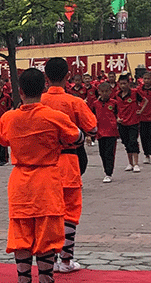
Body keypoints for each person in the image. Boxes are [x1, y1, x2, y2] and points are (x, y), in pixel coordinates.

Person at [0, 68, 83, 283]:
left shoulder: (9, 117)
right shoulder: (54, 117)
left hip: (19, 182)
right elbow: (78, 137)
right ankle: (46, 278)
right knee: (47, 236)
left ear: (21, 91)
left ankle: (23, 278)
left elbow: (2, 139)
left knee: (21, 234)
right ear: (44, 88)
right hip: (47, 181)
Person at [41, 58, 97, 273]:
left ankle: (49, 259)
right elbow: (92, 128)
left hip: (44, 164)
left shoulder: (39, 103)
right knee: (70, 213)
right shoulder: (75, 102)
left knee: (50, 213)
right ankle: (65, 261)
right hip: (69, 162)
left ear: (46, 77)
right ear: (67, 76)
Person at [116, 73, 148, 172]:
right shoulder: (117, 95)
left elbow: (145, 100)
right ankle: (130, 163)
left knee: (133, 142)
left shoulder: (134, 93)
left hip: (133, 122)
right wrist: (117, 118)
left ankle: (136, 164)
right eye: (121, 84)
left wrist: (141, 110)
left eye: (124, 83)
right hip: (122, 123)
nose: (123, 86)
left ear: (129, 83)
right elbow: (114, 108)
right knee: (126, 143)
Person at [91, 82, 119, 182]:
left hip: (111, 132)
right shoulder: (95, 104)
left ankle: (109, 173)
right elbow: (92, 117)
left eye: (106, 91)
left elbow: (117, 114)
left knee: (109, 153)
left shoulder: (114, 103)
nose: (104, 94)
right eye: (102, 92)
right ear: (98, 92)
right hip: (100, 132)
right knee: (102, 153)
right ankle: (105, 171)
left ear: (110, 91)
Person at [138, 71, 151, 164]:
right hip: (142, 117)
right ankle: (146, 155)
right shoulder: (139, 90)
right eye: (145, 78)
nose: (146, 80)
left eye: (148, 78)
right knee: (143, 137)